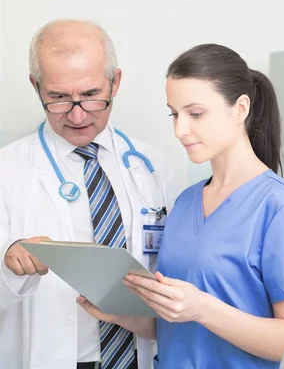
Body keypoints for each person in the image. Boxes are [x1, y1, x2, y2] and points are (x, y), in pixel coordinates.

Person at [78, 43, 284, 368]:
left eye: (195, 114)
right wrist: (120, 312)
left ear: (240, 109)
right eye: (174, 114)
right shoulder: (187, 201)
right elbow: (178, 324)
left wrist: (202, 308)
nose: (180, 130)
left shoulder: (282, 207)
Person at [0, 20, 175, 369]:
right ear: (37, 88)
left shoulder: (154, 166)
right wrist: (10, 267)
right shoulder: (6, 170)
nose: (78, 115)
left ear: (116, 82)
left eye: (92, 95)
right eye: (59, 98)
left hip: (136, 357)